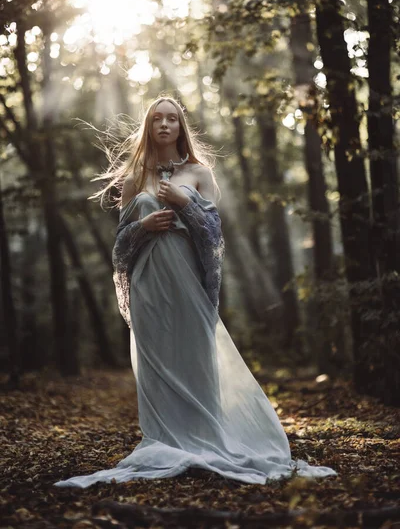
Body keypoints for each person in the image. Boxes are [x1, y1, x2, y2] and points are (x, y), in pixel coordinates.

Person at [54, 96, 336, 488]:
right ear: (149, 127)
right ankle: (166, 439)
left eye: (172, 118)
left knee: (197, 357)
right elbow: (120, 246)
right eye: (158, 119)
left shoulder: (200, 174)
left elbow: (214, 239)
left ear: (181, 127)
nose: (165, 125)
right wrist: (144, 224)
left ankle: (205, 437)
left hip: (187, 281)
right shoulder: (136, 177)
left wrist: (185, 203)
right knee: (157, 364)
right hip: (149, 283)